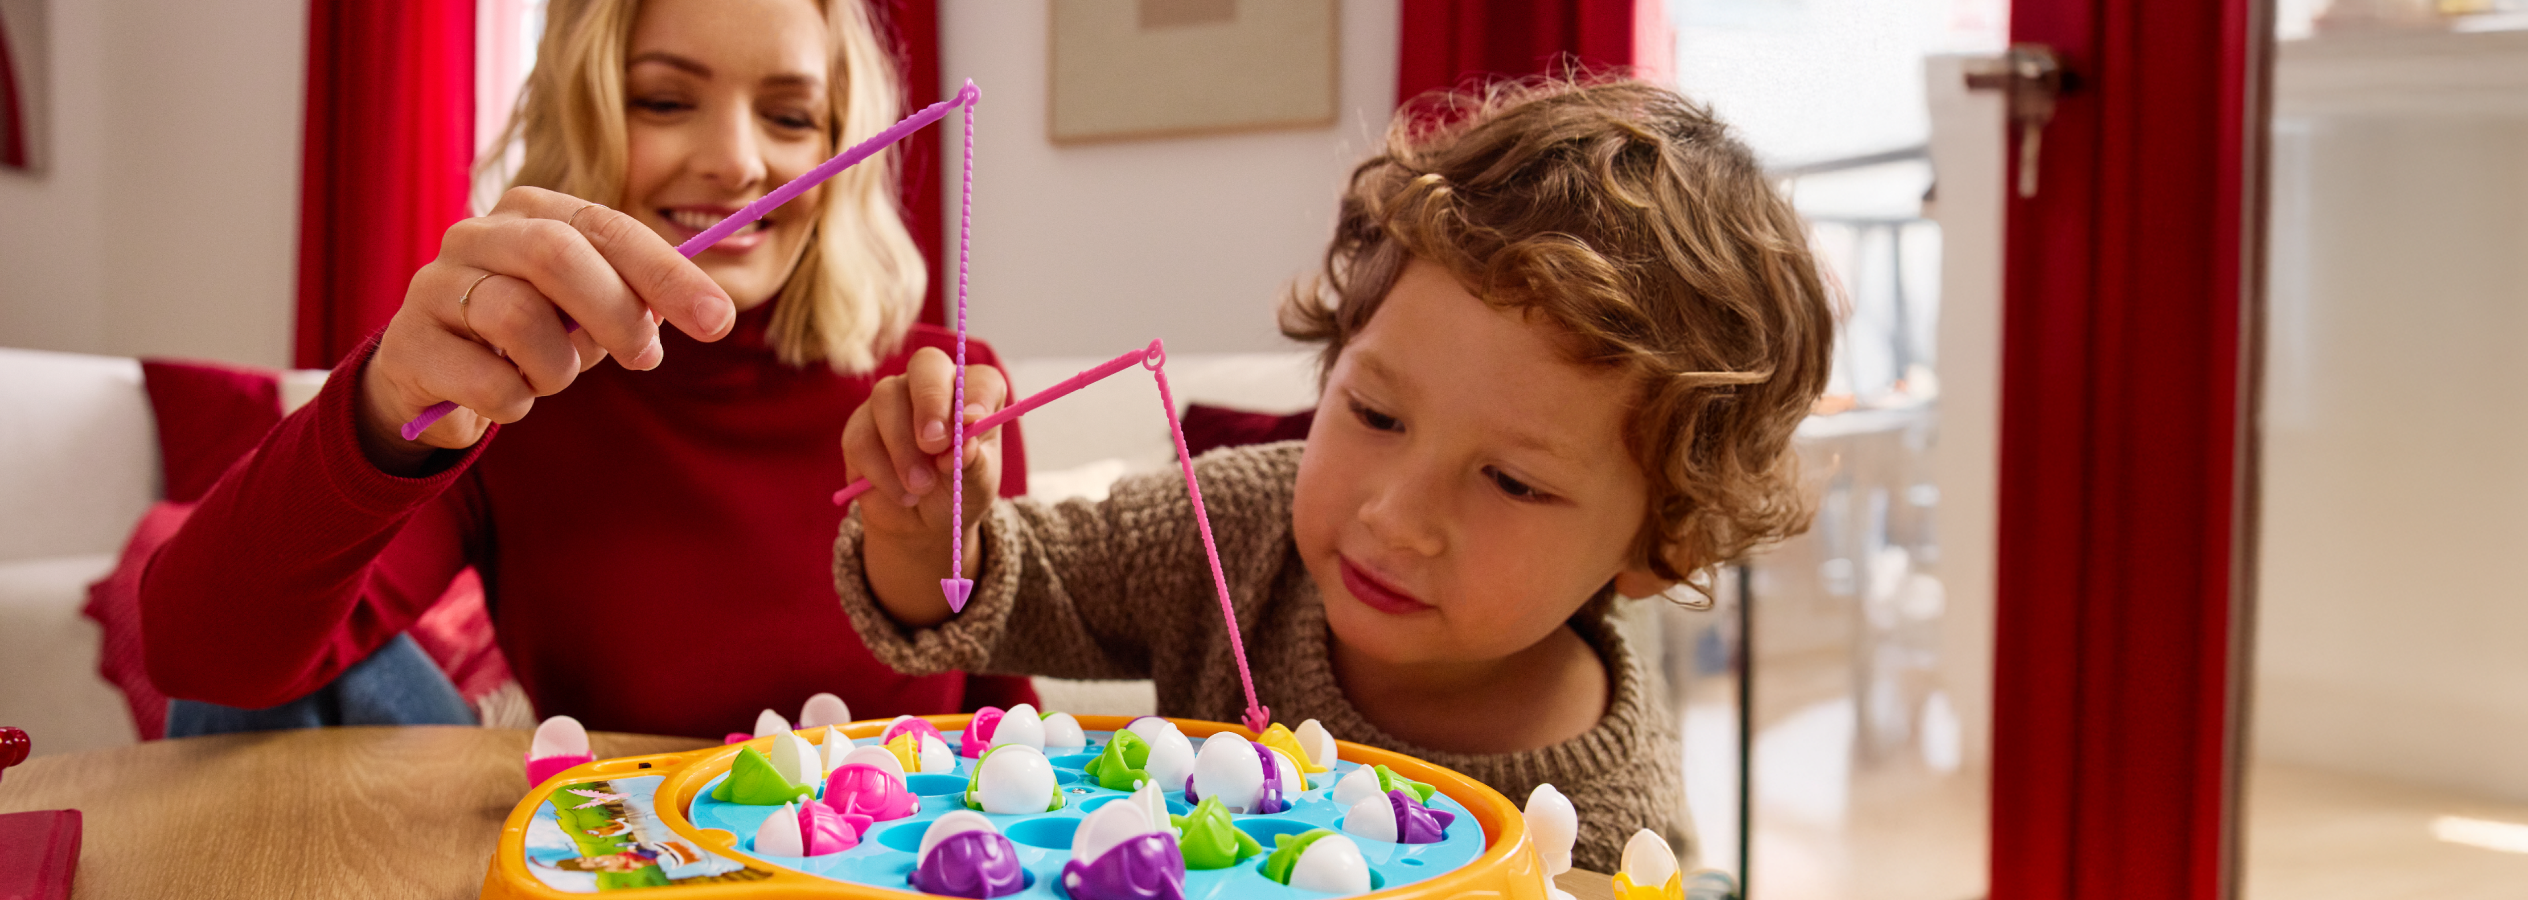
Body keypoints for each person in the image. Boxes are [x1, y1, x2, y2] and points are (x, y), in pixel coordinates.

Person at [830, 78, 1835, 873]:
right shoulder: (1241, 525)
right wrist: (927, 529)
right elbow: (982, 595)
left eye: (1512, 482)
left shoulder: (1604, 833)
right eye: (1375, 415)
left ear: (1661, 548)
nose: (1395, 518)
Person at [138, 0, 1035, 740]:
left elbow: (1009, 729)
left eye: (791, 116)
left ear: (842, 153)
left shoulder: (944, 390)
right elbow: (203, 664)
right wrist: (380, 408)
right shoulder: (505, 388)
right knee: (271, 624)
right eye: (664, 102)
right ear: (581, 117)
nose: (736, 162)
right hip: (609, 861)